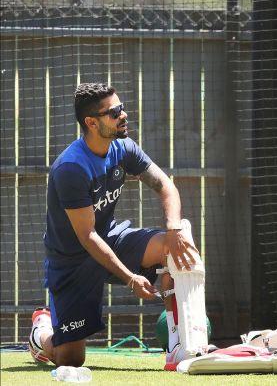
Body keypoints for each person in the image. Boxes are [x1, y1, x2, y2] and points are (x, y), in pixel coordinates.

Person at [28, 82, 200, 370]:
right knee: (70, 359)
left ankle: (179, 346)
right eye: (115, 112)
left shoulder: (124, 148)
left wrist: (173, 229)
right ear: (91, 123)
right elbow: (87, 236)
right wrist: (131, 279)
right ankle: (40, 333)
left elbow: (165, 185)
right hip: (73, 261)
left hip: (111, 238)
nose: (123, 115)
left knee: (177, 248)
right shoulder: (71, 168)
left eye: (122, 108)